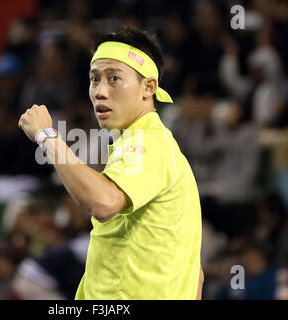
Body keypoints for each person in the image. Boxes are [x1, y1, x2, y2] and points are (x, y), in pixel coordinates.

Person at [18, 26, 203, 299]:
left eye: (114, 78)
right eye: (95, 79)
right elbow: (194, 274)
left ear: (148, 87)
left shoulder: (148, 142)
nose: (100, 92)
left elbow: (103, 202)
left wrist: (47, 136)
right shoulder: (149, 145)